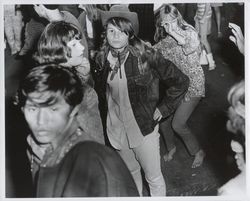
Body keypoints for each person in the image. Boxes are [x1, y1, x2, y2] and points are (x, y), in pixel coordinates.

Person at [95, 4, 189, 196]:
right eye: (111, 30)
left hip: (143, 128)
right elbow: (102, 95)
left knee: (153, 178)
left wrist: (163, 109)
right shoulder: (101, 59)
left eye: (121, 31)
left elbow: (181, 81)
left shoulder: (146, 55)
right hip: (116, 130)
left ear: (130, 33)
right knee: (130, 174)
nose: (115, 36)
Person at [15, 64, 139, 197]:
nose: (40, 121)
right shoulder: (37, 150)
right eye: (32, 109)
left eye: (53, 109)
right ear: (23, 110)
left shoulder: (95, 161)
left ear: (73, 110)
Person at [33, 21, 104, 144]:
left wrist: (83, 76)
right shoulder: (85, 94)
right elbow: (95, 142)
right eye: (75, 44)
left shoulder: (40, 77)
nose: (82, 47)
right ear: (60, 50)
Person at [154, 4, 205, 168]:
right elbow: (154, 50)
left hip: (194, 86)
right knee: (163, 120)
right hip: (177, 86)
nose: (170, 26)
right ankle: (172, 147)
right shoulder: (168, 40)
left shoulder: (189, 32)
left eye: (172, 21)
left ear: (178, 18)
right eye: (165, 23)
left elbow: (189, 47)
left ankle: (198, 151)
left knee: (178, 124)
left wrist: (173, 31)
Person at [194, 3, 216, 70]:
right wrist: (196, 14)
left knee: (204, 39)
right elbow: (199, 5)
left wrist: (203, 17)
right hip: (199, 15)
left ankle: (212, 62)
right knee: (197, 37)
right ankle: (203, 58)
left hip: (205, 17)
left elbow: (207, 5)